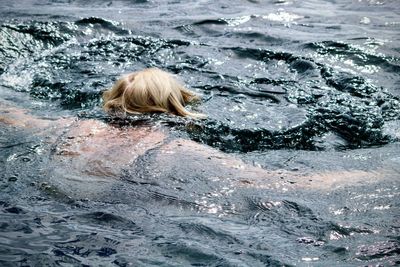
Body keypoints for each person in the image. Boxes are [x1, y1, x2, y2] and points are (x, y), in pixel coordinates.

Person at [0, 68, 387, 201]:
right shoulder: (170, 148)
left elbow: (10, 115)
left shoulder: (72, 127)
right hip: (114, 217)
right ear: (178, 107)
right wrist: (378, 175)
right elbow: (277, 183)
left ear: (111, 101)